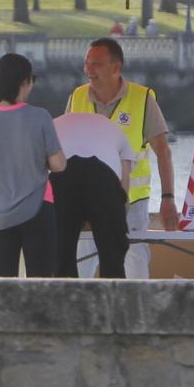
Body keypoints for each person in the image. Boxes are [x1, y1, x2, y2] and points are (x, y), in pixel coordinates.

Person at [65, 37, 177, 278]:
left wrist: (168, 198)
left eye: (96, 64)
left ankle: (135, 314)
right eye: (86, 63)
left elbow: (163, 152)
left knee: (135, 268)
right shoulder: (77, 97)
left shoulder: (143, 98)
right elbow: (62, 147)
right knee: (78, 269)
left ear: (116, 67)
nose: (88, 70)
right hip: (84, 203)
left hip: (131, 203)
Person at [0, 53, 65, 277]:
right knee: (41, 284)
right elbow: (59, 165)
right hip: (37, 209)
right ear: (25, 82)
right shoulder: (40, 117)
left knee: (3, 286)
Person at [51, 108, 135, 279]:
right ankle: (112, 300)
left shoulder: (53, 125)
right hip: (103, 178)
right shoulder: (118, 132)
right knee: (113, 259)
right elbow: (124, 199)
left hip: (61, 176)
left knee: (61, 257)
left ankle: (65, 301)